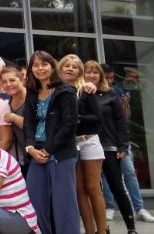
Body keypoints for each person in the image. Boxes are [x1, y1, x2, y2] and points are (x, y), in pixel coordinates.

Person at [23, 51, 79, 234]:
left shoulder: (66, 91)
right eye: (36, 65)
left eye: (44, 64)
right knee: (34, 202)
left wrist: (47, 150)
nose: (40, 69)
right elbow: (28, 124)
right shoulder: (32, 93)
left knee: (64, 205)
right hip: (36, 152)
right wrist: (30, 148)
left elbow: (69, 125)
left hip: (61, 153)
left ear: (53, 66)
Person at [86, 60, 138, 234]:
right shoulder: (80, 94)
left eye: (95, 72)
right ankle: (103, 227)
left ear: (100, 75)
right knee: (94, 189)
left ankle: (131, 227)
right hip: (86, 147)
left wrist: (123, 146)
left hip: (108, 146)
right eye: (88, 72)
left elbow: (120, 122)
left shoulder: (110, 94)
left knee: (117, 186)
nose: (92, 75)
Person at [59, 54, 106, 234]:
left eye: (75, 66)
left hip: (89, 141)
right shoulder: (56, 90)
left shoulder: (86, 90)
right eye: (67, 66)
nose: (70, 69)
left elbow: (98, 118)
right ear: (61, 68)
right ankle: (89, 231)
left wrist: (75, 118)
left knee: (93, 187)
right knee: (79, 190)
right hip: (70, 144)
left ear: (80, 71)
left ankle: (102, 231)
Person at [0, 67, 28, 177]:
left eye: (12, 80)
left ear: (21, 79)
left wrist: (14, 117)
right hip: (23, 156)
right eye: (4, 82)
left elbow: (35, 126)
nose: (8, 84)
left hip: (41, 152)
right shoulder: (9, 101)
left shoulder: (32, 98)